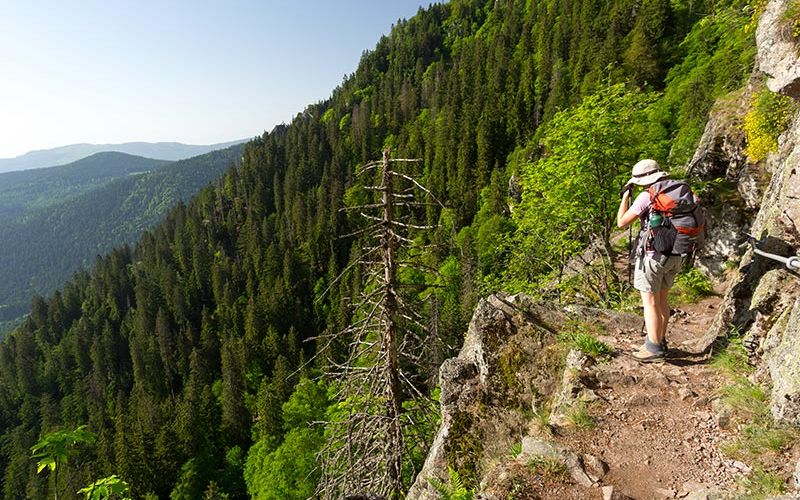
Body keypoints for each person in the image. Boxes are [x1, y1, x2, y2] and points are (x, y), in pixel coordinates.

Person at [616, 159, 683, 363]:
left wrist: (626, 196)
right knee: (662, 300)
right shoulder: (676, 190)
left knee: (650, 302)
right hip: (676, 254)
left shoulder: (647, 195)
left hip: (654, 256)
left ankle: (653, 348)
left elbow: (621, 222)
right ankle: (659, 341)